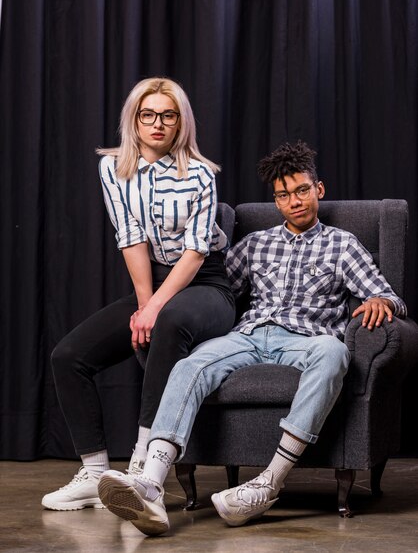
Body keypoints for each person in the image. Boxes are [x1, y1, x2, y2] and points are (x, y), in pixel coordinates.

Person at [97, 140, 407, 536]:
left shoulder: (342, 244)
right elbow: (217, 290)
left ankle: (268, 482)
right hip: (248, 336)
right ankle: (151, 484)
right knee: (191, 364)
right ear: (275, 202)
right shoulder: (255, 244)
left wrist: (382, 301)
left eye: (301, 191)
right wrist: (160, 305)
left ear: (319, 190)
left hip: (307, 341)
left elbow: (391, 297)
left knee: (335, 352)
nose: (294, 201)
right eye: (283, 195)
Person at [41, 77, 235, 511]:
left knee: (167, 320)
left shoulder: (200, 173)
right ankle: (93, 474)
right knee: (68, 356)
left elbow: (196, 251)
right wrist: (144, 303)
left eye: (169, 115)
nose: (158, 124)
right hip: (153, 282)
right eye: (148, 115)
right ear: (135, 120)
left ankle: (144, 464)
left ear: (180, 122)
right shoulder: (113, 168)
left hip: (206, 283)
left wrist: (155, 308)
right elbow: (131, 238)